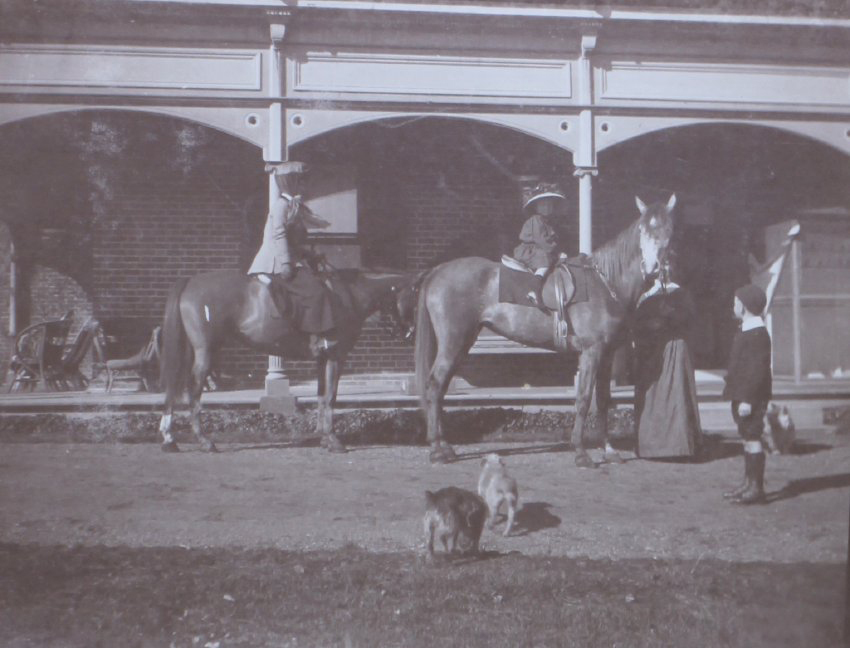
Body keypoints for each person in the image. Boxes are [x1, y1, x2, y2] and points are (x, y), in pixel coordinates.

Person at [248, 161, 338, 356]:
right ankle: (315, 341)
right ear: (292, 182)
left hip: (287, 258)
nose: (305, 186)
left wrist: (308, 254)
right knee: (315, 291)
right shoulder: (281, 206)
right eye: (302, 182)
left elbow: (313, 225)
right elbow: (279, 235)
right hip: (275, 263)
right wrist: (287, 263)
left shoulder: (295, 205)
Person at [632, 266, 702, 459]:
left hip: (675, 349)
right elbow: (636, 324)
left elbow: (690, 320)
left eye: (666, 266)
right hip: (652, 352)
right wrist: (648, 325)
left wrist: (669, 317)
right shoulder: (645, 296)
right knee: (652, 395)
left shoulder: (680, 294)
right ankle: (650, 446)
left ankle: (678, 446)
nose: (662, 271)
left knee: (676, 393)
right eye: (658, 267)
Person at [722, 283, 772, 504]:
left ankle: (756, 488)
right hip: (740, 394)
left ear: (744, 307)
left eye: (735, 303)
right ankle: (748, 482)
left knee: (752, 437)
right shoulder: (746, 329)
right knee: (746, 437)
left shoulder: (758, 334)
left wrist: (748, 400)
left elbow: (757, 371)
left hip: (750, 397)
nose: (733, 306)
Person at [513, 183, 565, 308]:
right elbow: (541, 241)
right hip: (530, 250)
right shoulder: (535, 220)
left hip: (541, 249)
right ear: (536, 207)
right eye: (543, 204)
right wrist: (557, 253)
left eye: (549, 204)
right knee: (544, 260)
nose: (547, 207)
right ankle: (534, 291)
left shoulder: (549, 222)